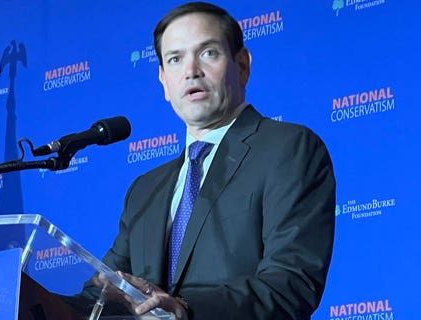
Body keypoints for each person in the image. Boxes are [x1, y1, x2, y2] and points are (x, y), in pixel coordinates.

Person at [98, 2, 336, 319]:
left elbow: (291, 284)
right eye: (175, 59)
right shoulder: (145, 190)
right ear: (163, 81)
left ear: (242, 65)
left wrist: (185, 310)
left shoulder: (289, 149)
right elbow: (104, 290)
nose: (191, 71)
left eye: (208, 53)